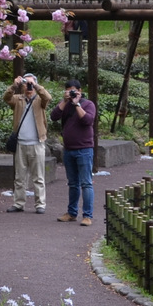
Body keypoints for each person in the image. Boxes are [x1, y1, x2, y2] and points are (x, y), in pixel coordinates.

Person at [50, 78, 98, 226]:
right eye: (68, 90)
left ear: (80, 91)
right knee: (72, 184)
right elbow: (54, 116)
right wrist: (65, 102)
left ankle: (87, 216)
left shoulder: (88, 104)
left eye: (74, 90)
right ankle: (71, 213)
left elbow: (88, 120)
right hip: (69, 150)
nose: (71, 93)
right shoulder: (65, 105)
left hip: (84, 149)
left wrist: (76, 103)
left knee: (86, 184)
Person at [3, 73, 52, 213]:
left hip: (37, 142)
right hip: (21, 144)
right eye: (26, 83)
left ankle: (40, 204)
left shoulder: (39, 100)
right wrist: (14, 85)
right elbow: (6, 98)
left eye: (30, 83)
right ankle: (19, 203)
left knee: (38, 176)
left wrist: (35, 85)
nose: (28, 86)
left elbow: (48, 97)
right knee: (19, 176)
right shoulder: (18, 100)